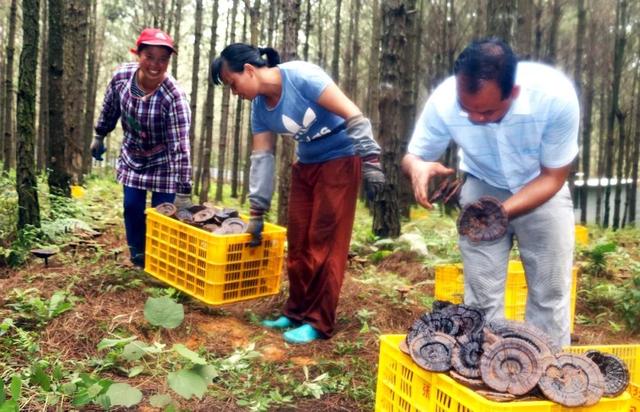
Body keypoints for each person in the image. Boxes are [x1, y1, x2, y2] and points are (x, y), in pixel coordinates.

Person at [402, 38, 579, 347]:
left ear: (513, 92)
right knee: (481, 296)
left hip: (540, 187)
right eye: (467, 110)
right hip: (482, 183)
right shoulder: (445, 100)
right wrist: (417, 167)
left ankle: (548, 371)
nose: (476, 118)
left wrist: (501, 212)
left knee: (549, 291)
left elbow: (553, 176)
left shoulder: (554, 97)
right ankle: (485, 368)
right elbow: (414, 156)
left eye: (487, 111)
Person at [210, 43, 385, 344]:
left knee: (326, 242)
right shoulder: (259, 108)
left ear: (249, 71)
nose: (234, 92)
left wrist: (370, 160)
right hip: (306, 164)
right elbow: (261, 158)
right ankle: (295, 312)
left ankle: (318, 321)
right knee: (301, 240)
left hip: (340, 158)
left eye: (232, 83)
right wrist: (256, 212)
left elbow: (352, 114)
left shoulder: (302, 76)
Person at [91, 28, 193, 268]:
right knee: (132, 206)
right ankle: (138, 258)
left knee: (163, 215)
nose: (156, 65)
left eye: (163, 59)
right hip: (133, 155)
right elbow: (110, 108)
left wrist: (184, 192)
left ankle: (159, 264)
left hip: (164, 161)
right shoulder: (122, 79)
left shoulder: (174, 96)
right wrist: (99, 135)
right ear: (138, 55)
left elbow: (181, 147)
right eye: (149, 57)